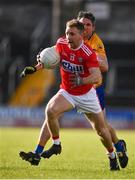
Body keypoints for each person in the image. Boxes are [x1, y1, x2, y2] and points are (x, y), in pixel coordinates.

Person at [19, 19, 119, 170]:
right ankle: (50, 147)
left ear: (81, 35)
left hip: (86, 95)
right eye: (67, 33)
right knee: (51, 111)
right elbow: (49, 58)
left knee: (101, 130)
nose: (68, 37)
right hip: (68, 92)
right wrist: (34, 68)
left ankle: (112, 156)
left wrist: (81, 80)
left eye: (72, 34)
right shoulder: (62, 43)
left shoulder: (88, 53)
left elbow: (97, 77)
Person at [77, 11, 128, 169]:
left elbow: (105, 66)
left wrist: (87, 56)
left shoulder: (95, 42)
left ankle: (113, 154)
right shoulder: (73, 37)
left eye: (88, 25)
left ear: (93, 27)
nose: (85, 28)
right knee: (100, 126)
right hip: (78, 89)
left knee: (100, 127)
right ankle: (118, 145)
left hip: (94, 89)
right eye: (82, 24)